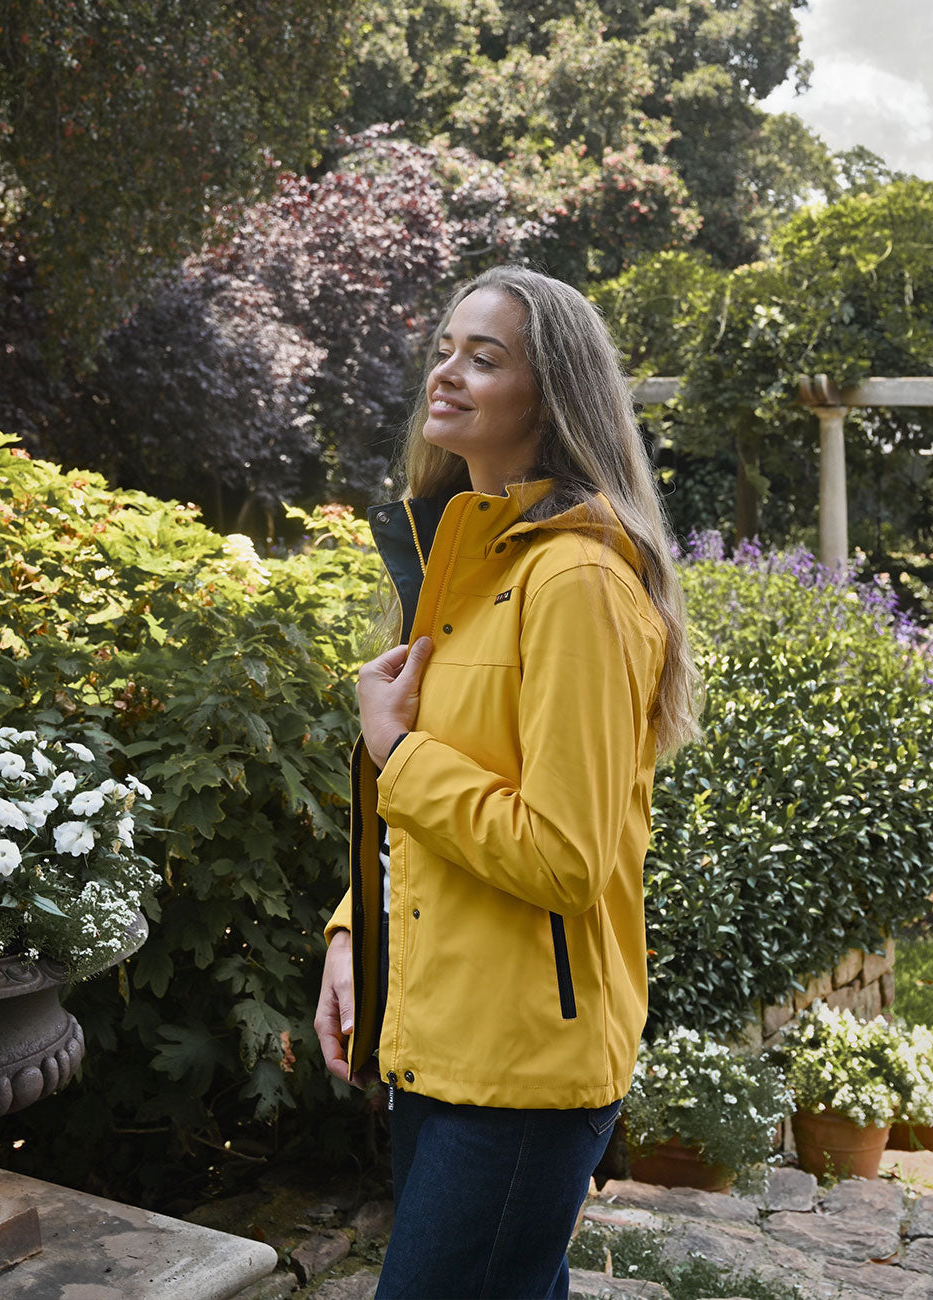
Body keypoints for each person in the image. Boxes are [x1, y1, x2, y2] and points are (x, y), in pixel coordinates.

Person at [313, 265, 702, 1300]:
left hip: (523, 1066)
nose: (446, 373)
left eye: (484, 358)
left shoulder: (575, 580)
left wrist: (397, 753)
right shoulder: (467, 563)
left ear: (552, 396)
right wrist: (353, 934)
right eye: (445, 349)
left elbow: (563, 855)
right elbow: (440, 819)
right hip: (443, 1038)